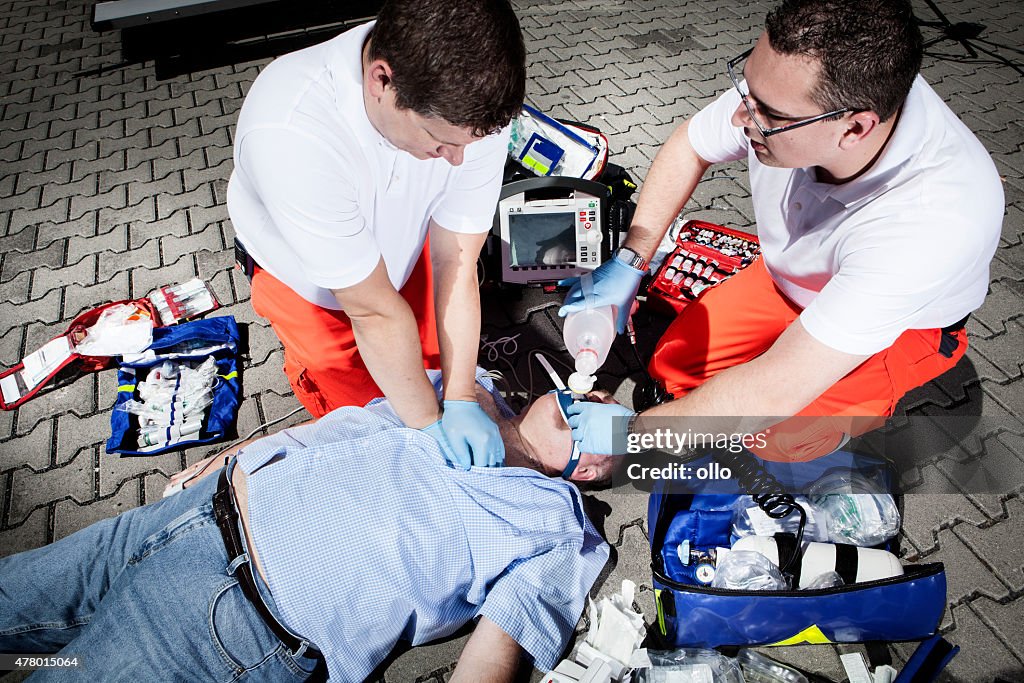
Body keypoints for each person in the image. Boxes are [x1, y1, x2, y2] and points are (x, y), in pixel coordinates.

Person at [560, 0, 1004, 461]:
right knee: (671, 362)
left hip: (905, 327)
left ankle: (867, 403)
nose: (739, 117)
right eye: (746, 87)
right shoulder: (795, 93)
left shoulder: (932, 223)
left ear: (855, 128)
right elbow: (690, 145)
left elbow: (773, 393)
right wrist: (631, 260)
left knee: (776, 438)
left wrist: (635, 433)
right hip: (793, 279)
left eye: (767, 114)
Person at [0, 369, 617, 682]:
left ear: (589, 472)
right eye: (593, 397)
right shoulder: (469, 386)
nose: (590, 403)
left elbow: (501, 645)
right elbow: (340, 428)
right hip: (187, 518)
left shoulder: (555, 529)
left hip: (229, 621)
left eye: (606, 421)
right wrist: (228, 459)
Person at [227, 0, 526, 470]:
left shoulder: (471, 109)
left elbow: (457, 260)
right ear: (381, 81)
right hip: (316, 288)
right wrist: (428, 428)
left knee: (431, 372)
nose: (457, 161)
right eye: (439, 140)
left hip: (406, 252)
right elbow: (371, 309)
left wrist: (463, 395)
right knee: (363, 412)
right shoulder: (290, 132)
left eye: (469, 144)